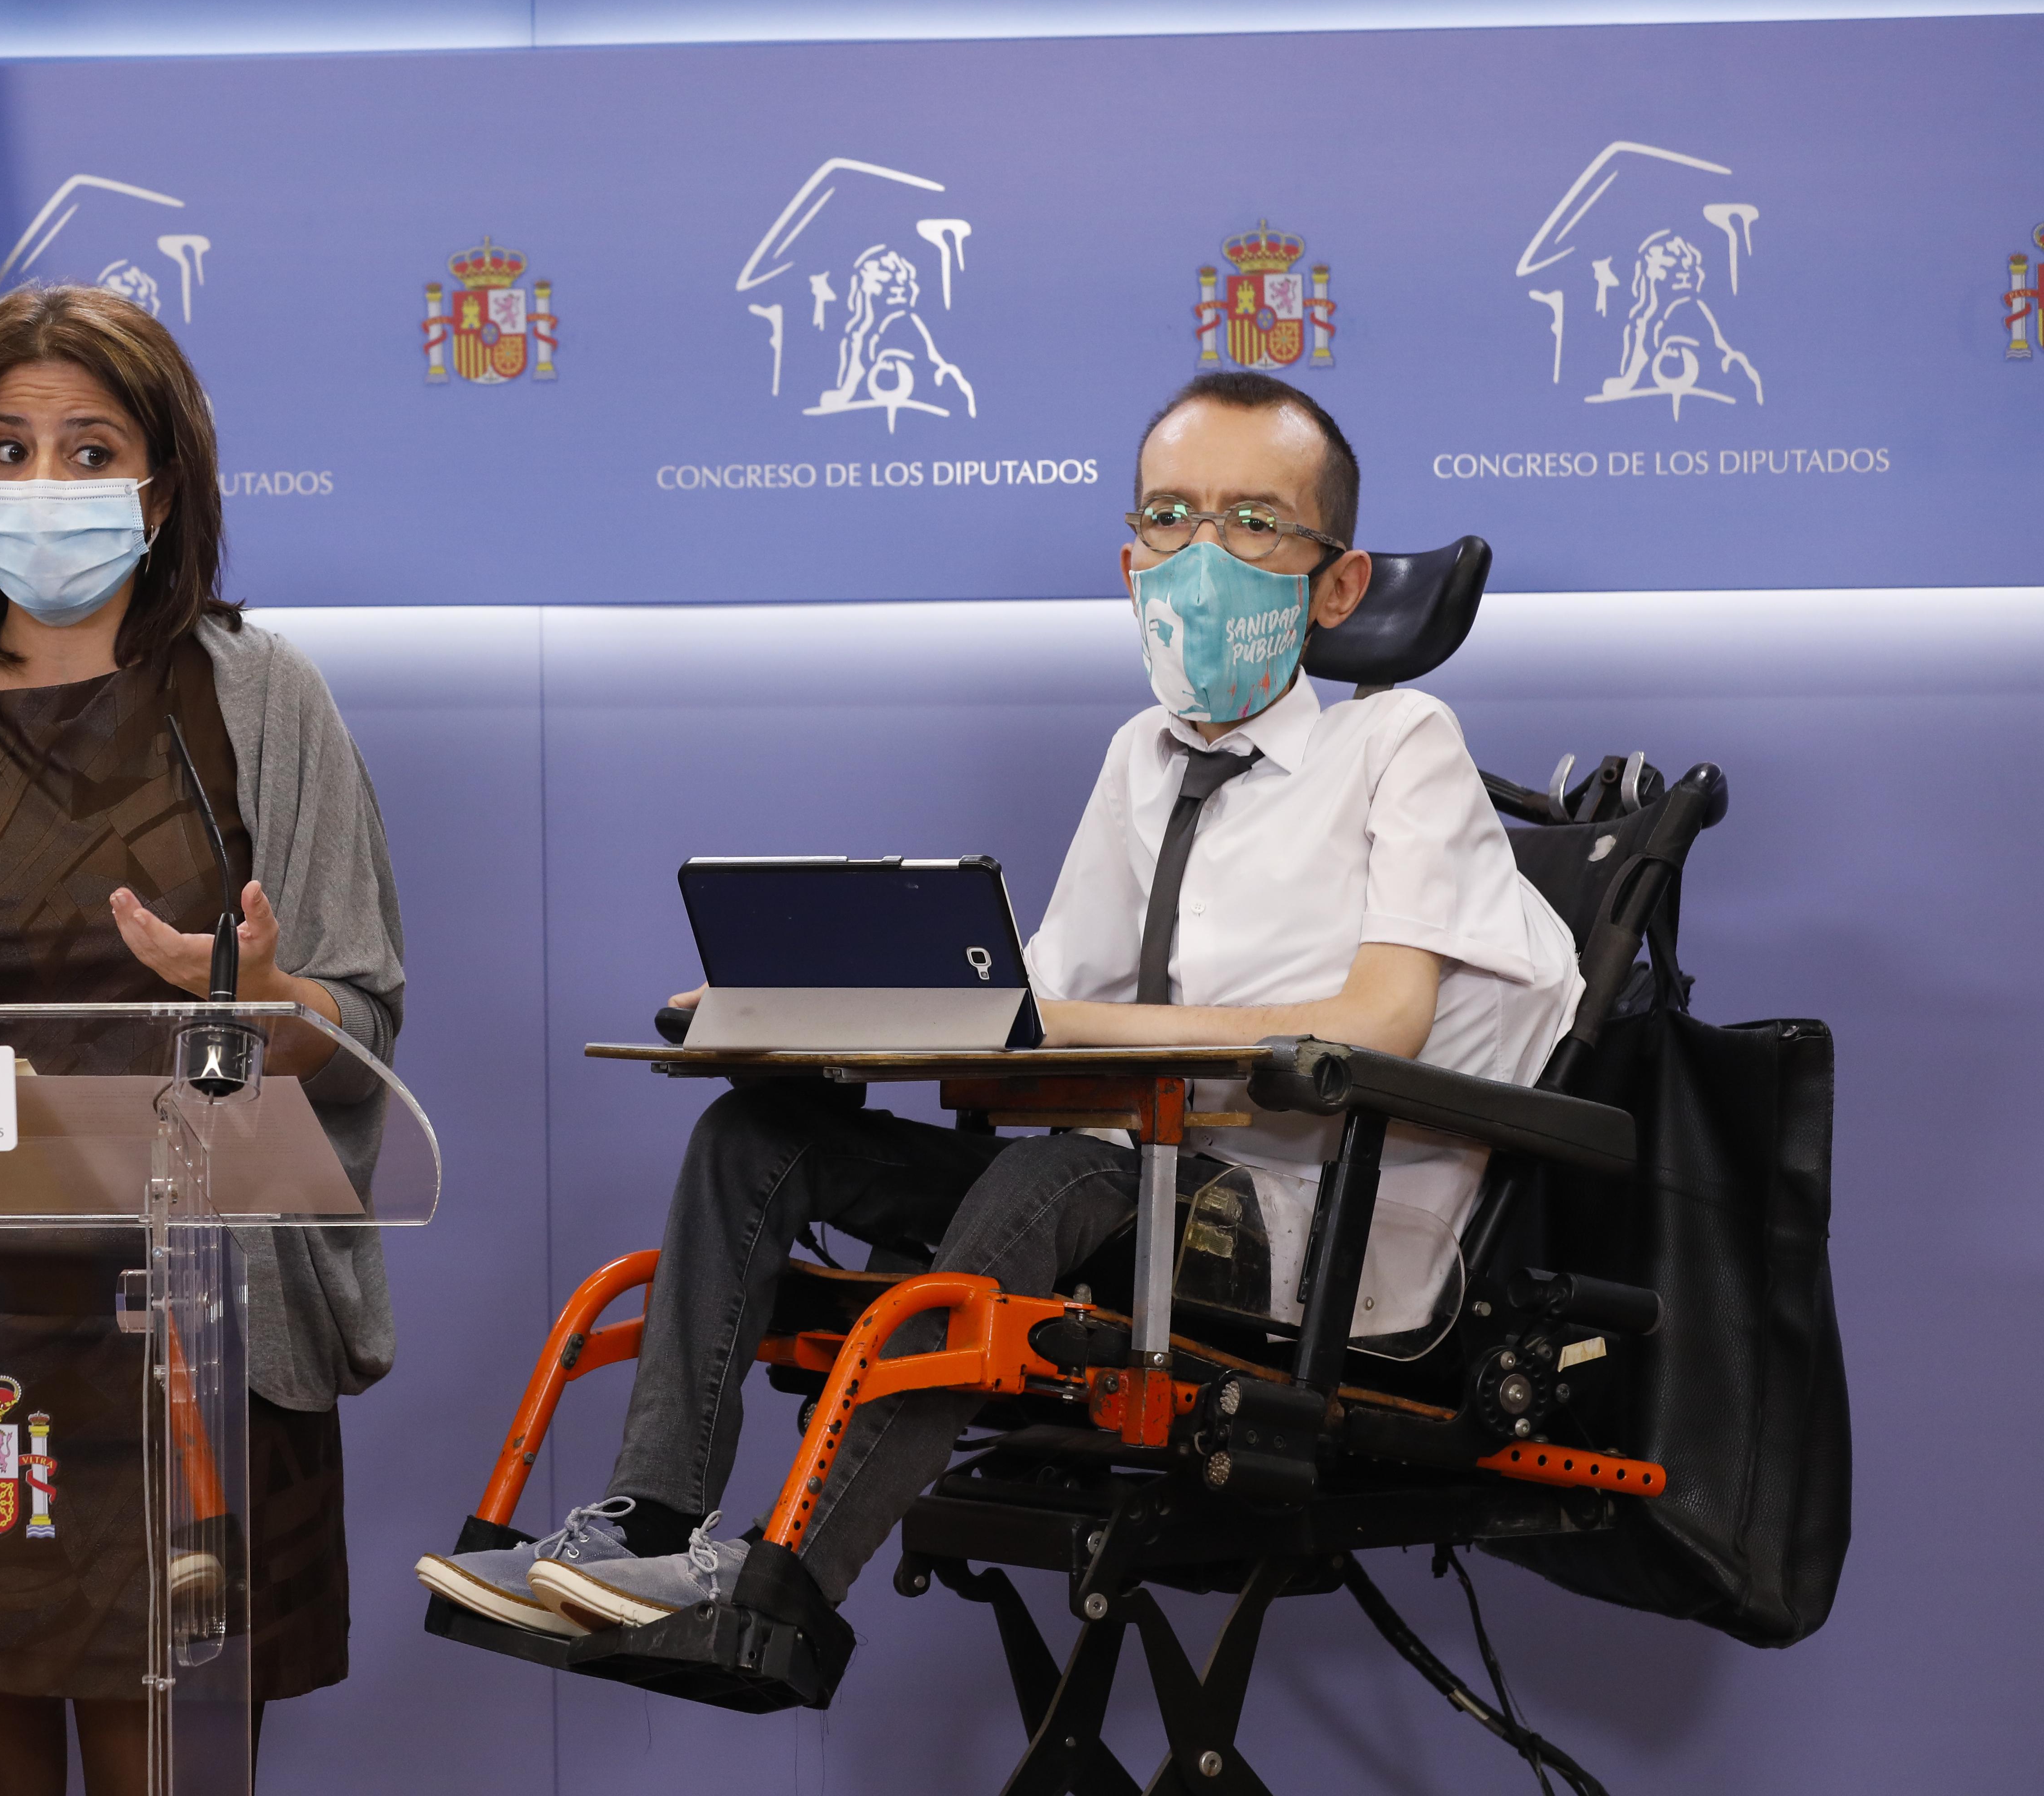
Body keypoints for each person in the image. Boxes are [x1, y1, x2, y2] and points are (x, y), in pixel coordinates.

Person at [418, 370, 1579, 1641]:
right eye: (1170, 519)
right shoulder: (1142, 757)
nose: (1203, 556)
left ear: (1339, 584)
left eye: (1252, 522)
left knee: (1066, 1179)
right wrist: (802, 1006)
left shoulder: (1401, 744)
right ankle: (646, 1530)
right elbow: (1023, 1017)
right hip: (1141, 1195)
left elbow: (1378, 1026)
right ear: (1129, 558)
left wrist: (1072, 1027)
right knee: (760, 1139)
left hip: (1321, 1246)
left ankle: (785, 1592)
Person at [0, 285, 405, 1796]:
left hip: (188, 1354)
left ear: (161, 487)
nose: (45, 487)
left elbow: (356, 1017)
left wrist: (259, 1004)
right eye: (10, 448)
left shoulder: (259, 702)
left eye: (90, 449)